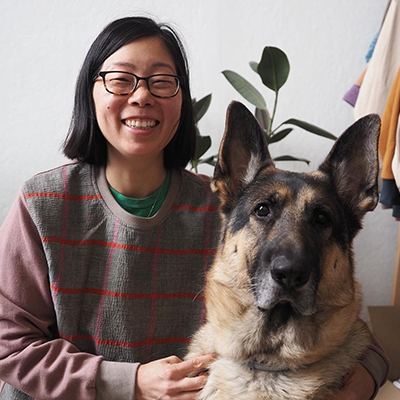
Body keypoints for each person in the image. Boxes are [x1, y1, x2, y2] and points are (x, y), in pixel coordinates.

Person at [0, 16, 389, 400]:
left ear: (182, 101)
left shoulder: (228, 208)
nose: (141, 96)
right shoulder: (42, 203)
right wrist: (129, 382)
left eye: (161, 81)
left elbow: (342, 324)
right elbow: (7, 344)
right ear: (91, 92)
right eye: (120, 79)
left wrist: (367, 377)